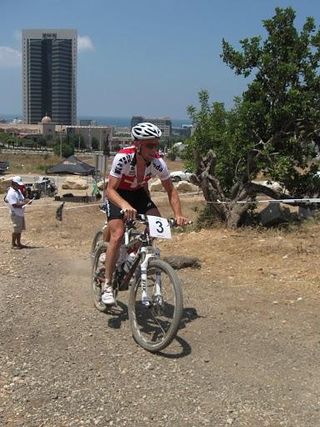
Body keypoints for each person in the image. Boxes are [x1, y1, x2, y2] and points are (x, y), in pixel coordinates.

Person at [101, 122, 189, 305]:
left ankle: (132, 254)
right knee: (117, 235)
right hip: (118, 194)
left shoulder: (158, 163)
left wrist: (178, 214)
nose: (154, 149)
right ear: (138, 145)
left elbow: (171, 190)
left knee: (156, 223)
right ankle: (107, 284)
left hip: (139, 194)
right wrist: (124, 205)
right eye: (150, 145)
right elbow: (110, 189)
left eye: (156, 145)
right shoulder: (123, 158)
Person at [6, 176, 32, 249]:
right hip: (15, 213)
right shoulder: (11, 193)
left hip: (20, 213)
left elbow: (23, 199)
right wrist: (25, 203)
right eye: (18, 184)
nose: (19, 186)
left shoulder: (18, 191)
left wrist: (28, 201)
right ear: (13, 183)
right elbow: (14, 205)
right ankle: (13, 244)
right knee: (16, 229)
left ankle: (19, 243)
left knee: (19, 229)